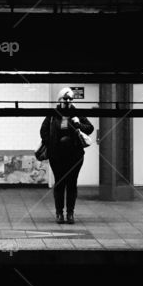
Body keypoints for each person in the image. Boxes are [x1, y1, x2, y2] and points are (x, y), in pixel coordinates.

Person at [40, 87, 95, 224]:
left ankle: (70, 213)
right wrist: (52, 144)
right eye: (65, 99)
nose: (68, 101)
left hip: (74, 155)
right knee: (59, 184)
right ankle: (59, 213)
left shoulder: (77, 113)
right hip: (57, 156)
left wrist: (78, 124)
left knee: (71, 184)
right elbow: (43, 131)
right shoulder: (53, 114)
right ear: (60, 99)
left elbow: (90, 128)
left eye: (71, 99)